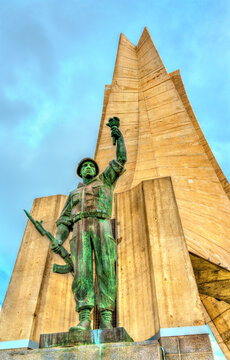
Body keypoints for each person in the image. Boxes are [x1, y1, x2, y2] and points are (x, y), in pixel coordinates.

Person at [52, 122, 127, 331]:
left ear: (95, 170)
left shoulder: (105, 182)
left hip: (101, 224)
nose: (88, 168)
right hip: (79, 228)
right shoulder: (74, 194)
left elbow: (121, 160)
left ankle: (105, 318)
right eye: (84, 166)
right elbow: (64, 220)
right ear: (80, 172)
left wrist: (119, 137)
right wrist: (58, 239)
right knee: (82, 273)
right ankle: (84, 318)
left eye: (91, 166)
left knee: (105, 270)